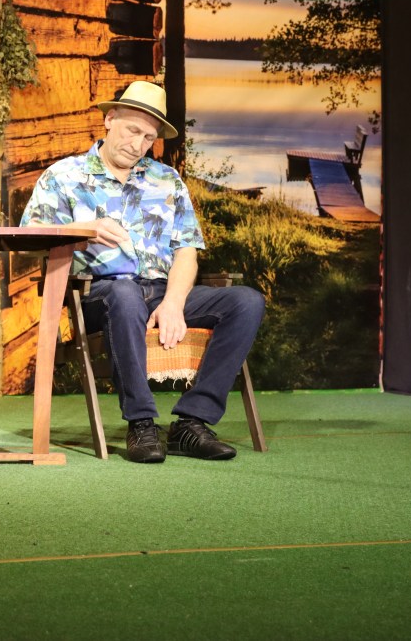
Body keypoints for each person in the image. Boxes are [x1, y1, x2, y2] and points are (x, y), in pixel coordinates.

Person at [20, 81, 265, 463]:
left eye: (148, 138)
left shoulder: (166, 180)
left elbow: (186, 251)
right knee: (125, 294)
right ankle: (141, 423)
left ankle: (192, 422)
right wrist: (84, 230)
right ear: (109, 119)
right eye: (132, 131)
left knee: (246, 302)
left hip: (162, 291)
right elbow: (27, 239)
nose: (138, 145)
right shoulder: (64, 176)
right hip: (100, 294)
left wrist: (174, 303)